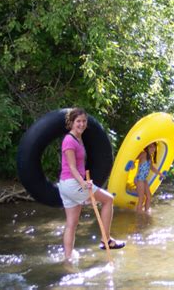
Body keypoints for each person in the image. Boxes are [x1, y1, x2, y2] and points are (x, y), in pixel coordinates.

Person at [57, 108, 125, 261]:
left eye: (84, 121)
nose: (81, 124)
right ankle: (106, 240)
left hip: (66, 185)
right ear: (71, 123)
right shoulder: (69, 140)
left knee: (72, 223)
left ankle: (68, 259)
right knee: (108, 200)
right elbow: (72, 166)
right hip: (73, 183)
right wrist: (83, 183)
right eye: (78, 121)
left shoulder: (77, 139)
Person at [134, 143, 159, 213]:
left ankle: (146, 212)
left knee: (149, 196)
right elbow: (134, 158)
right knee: (141, 198)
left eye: (154, 147)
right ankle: (138, 216)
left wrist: (160, 174)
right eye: (151, 147)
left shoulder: (149, 157)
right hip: (139, 179)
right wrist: (132, 164)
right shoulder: (143, 154)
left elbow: (152, 168)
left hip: (143, 180)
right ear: (147, 148)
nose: (153, 149)